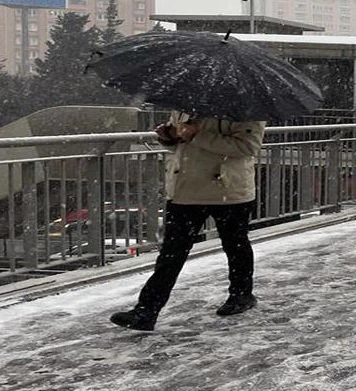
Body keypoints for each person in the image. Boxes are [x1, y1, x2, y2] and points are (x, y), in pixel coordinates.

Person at [110, 113, 267, 331]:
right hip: (186, 191)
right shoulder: (187, 106)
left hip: (229, 190)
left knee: (235, 244)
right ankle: (147, 310)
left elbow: (247, 147)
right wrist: (169, 137)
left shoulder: (243, 110)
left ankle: (241, 295)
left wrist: (196, 135)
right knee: (171, 253)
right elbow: (182, 148)